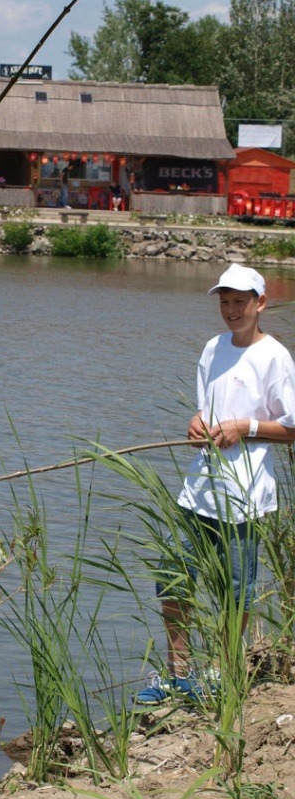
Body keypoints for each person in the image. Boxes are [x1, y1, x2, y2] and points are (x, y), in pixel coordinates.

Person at [136, 264, 295, 705]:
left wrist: (245, 427)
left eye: (239, 301)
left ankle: (227, 675)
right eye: (224, 301)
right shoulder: (212, 348)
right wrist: (197, 421)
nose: (230, 309)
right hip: (199, 488)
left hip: (245, 497)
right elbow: (207, 408)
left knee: (235, 591)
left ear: (259, 303)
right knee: (171, 577)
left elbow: (292, 426)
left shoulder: (275, 356)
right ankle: (178, 675)